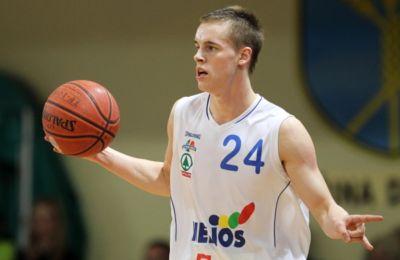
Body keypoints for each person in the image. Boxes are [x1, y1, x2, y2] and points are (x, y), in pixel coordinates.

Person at [47, 5, 383, 259]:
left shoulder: (282, 129)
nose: (198, 55)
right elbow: (168, 180)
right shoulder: (183, 113)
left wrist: (338, 221)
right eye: (197, 46)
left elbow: (323, 206)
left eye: (211, 47)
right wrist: (97, 152)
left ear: (242, 56)